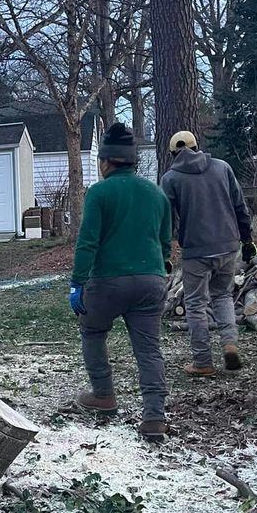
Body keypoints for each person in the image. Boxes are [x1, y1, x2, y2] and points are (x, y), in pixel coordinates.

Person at [70, 121, 172, 441]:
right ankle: (154, 416)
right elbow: (166, 241)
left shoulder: (99, 192)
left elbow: (88, 242)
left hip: (108, 283)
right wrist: (160, 266)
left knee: (92, 330)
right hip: (151, 281)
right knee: (148, 349)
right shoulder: (156, 193)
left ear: (106, 161)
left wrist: (77, 283)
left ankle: (103, 395)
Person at [160, 130, 256, 376]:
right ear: (197, 146)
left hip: (196, 250)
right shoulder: (222, 167)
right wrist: (247, 240)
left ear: (173, 154)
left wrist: (164, 253)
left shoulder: (170, 179)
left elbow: (167, 221)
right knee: (223, 296)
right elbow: (240, 206)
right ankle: (230, 345)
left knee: (194, 304)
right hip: (228, 245)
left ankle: (203, 361)